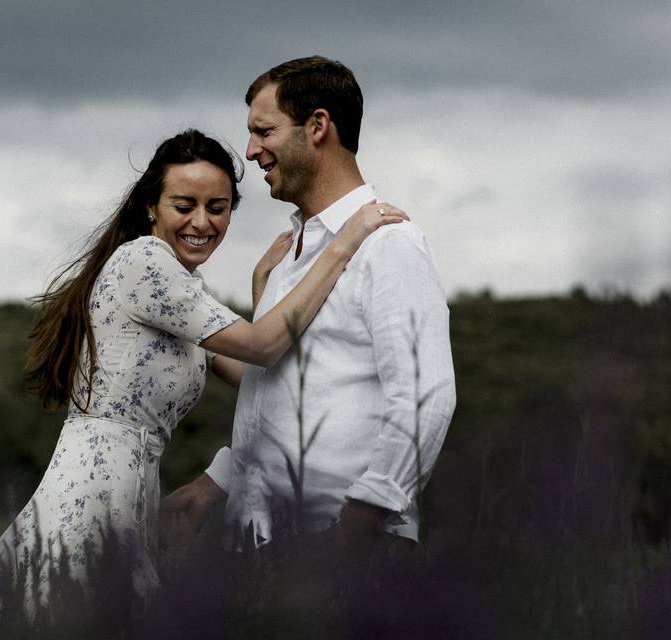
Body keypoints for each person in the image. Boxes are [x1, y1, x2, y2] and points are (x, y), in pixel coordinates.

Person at [0, 129, 406, 618]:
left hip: (131, 492)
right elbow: (264, 347)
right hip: (92, 489)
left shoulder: (183, 287)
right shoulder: (145, 262)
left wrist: (263, 292)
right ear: (151, 207)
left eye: (217, 208)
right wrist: (342, 246)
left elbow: (261, 386)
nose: (202, 222)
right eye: (184, 205)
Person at [162, 57, 456, 554]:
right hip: (258, 546)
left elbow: (426, 395)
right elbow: (280, 391)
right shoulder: (286, 260)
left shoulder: (389, 244)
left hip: (344, 546)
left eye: (264, 131)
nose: (251, 151)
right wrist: (218, 481)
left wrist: (362, 518)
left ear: (317, 126)